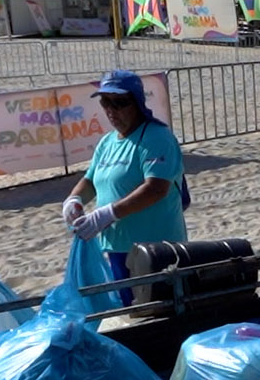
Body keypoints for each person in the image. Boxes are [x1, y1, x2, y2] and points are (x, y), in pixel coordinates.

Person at [62, 70, 188, 305]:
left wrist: (107, 214)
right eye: (105, 103)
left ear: (137, 103)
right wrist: (74, 200)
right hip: (118, 248)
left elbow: (156, 188)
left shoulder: (156, 138)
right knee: (130, 311)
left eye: (119, 103)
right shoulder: (108, 142)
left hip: (156, 250)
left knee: (158, 313)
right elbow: (91, 180)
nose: (111, 110)